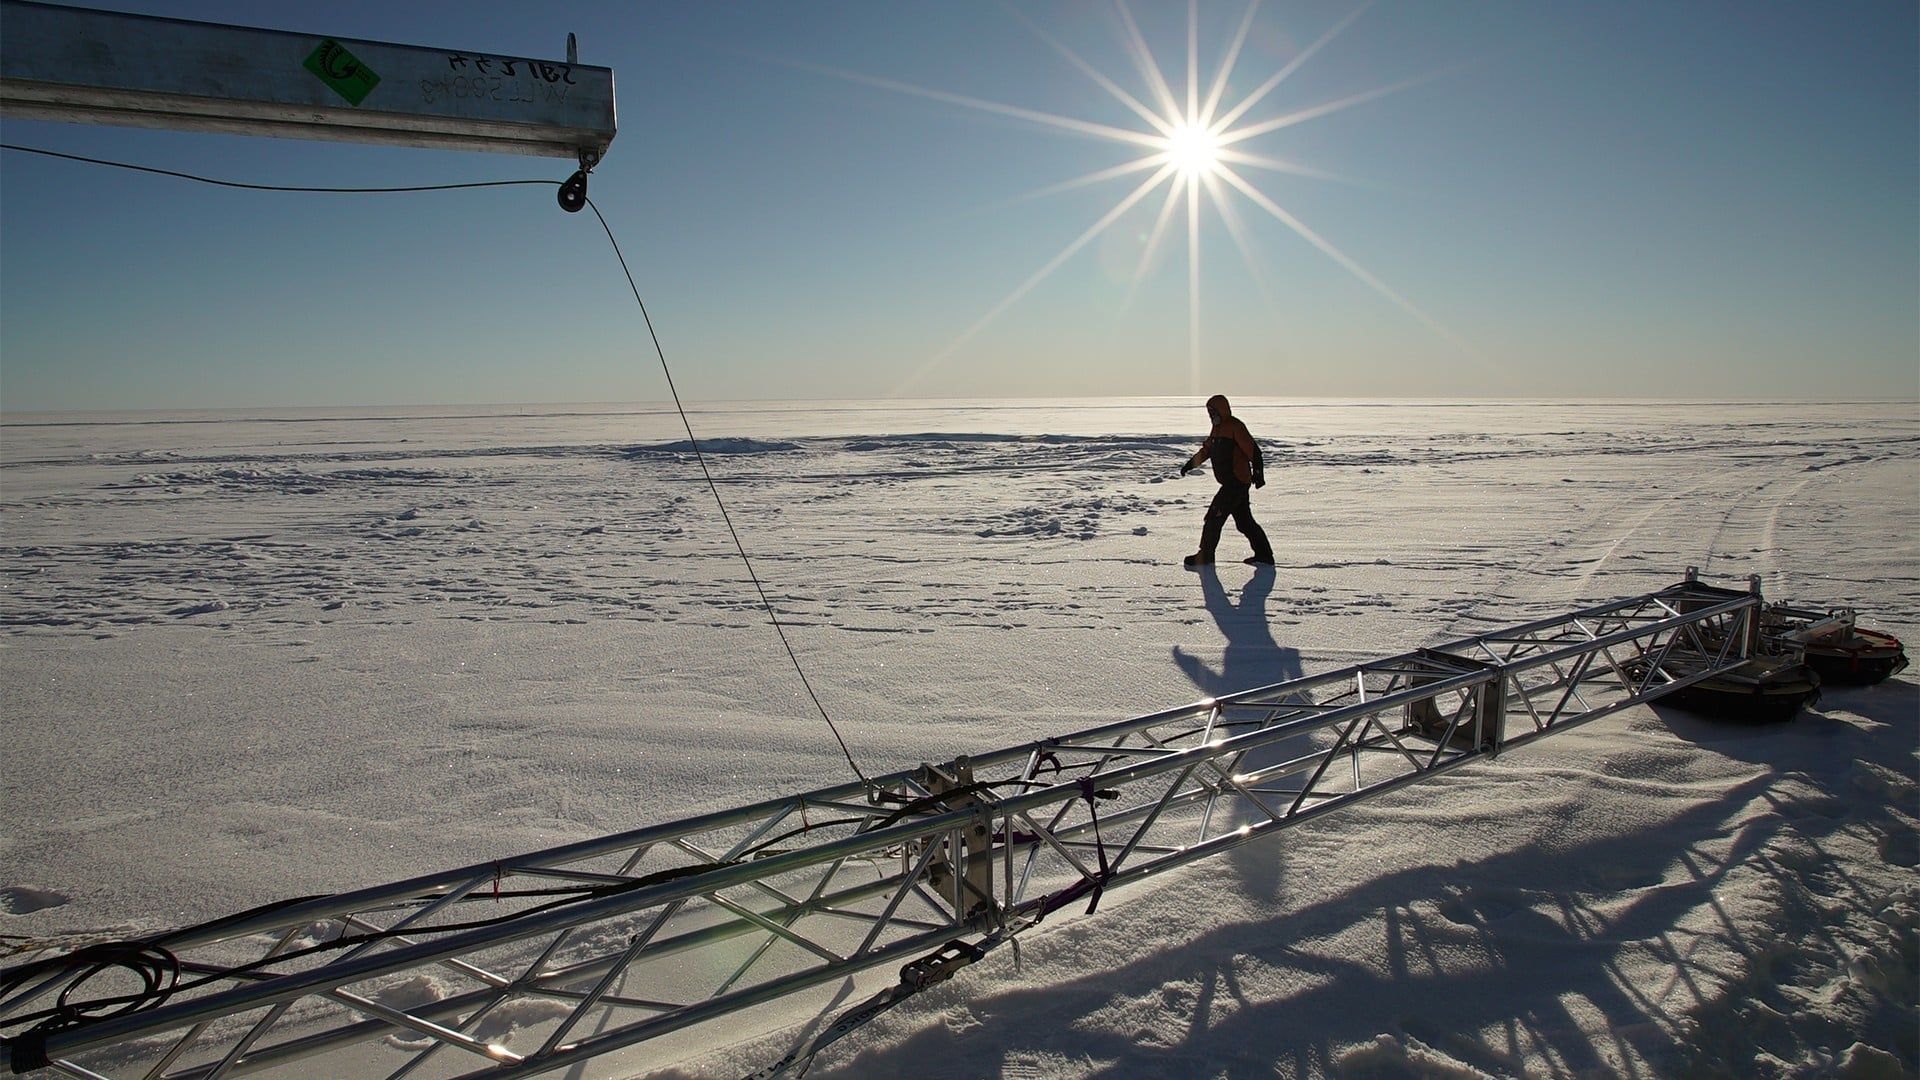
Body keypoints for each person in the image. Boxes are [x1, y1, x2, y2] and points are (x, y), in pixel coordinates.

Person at [1178, 394, 1274, 567]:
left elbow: (1254, 451)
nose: (1210, 415)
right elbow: (1206, 450)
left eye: (1213, 411)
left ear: (1221, 410)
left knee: (1214, 517)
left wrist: (1258, 474)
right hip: (1232, 483)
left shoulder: (1235, 426)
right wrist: (1189, 465)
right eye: (1208, 412)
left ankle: (1206, 555)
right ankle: (1264, 554)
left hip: (1236, 483)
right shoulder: (1217, 428)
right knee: (1244, 522)